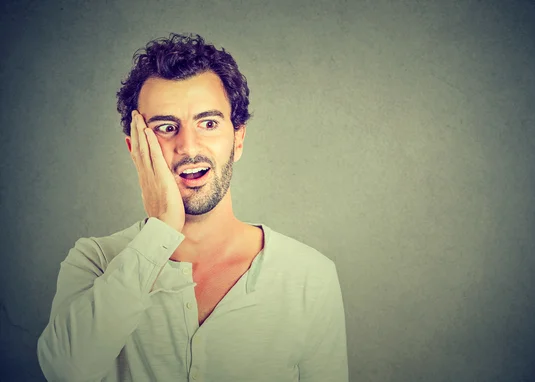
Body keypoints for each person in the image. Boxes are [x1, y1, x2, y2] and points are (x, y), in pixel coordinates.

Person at [37, 33, 348, 382]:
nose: (188, 146)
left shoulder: (310, 276)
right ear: (135, 149)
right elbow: (64, 372)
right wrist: (162, 231)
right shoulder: (94, 261)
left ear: (239, 139)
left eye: (209, 123)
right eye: (166, 128)